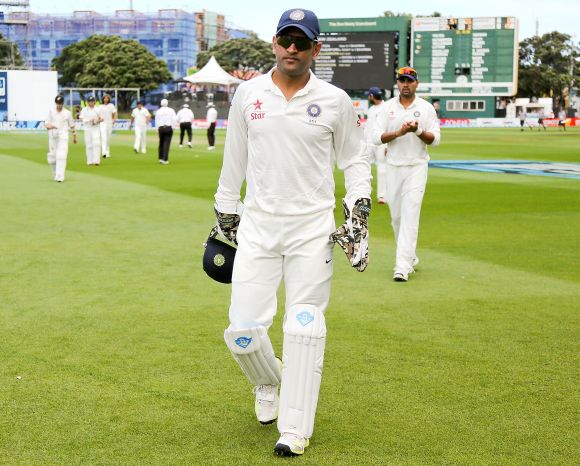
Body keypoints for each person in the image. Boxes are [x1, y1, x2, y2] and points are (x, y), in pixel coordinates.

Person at [213, 8, 371, 457]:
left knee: (305, 327)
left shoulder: (336, 100)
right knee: (242, 330)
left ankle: (295, 428)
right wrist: (225, 213)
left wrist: (358, 208)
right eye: (287, 40)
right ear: (274, 44)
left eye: (302, 42)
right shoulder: (248, 94)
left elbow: (355, 161)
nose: (293, 49)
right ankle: (269, 381)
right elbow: (234, 160)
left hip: (312, 230)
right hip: (258, 228)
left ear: (316, 49)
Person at [373, 66, 441, 282]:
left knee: (410, 215)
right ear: (397, 83)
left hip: (417, 167)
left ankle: (401, 266)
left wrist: (418, 131)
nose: (405, 84)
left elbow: (435, 139)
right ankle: (409, 257)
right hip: (394, 166)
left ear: (416, 84)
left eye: (409, 81)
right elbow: (376, 137)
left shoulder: (426, 108)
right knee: (397, 218)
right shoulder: (387, 108)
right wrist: (400, 132)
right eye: (402, 80)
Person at [45, 94, 77, 182]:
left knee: (61, 155)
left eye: (61, 103)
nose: (59, 105)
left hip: (63, 136)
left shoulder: (67, 113)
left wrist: (75, 136)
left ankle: (60, 176)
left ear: (63, 103)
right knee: (52, 158)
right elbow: (46, 124)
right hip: (52, 137)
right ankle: (55, 174)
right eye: (58, 103)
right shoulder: (51, 111)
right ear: (56, 103)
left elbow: (72, 125)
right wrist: (51, 126)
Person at [365, 86, 387, 204]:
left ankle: (382, 196)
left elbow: (389, 127)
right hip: (369, 143)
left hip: (382, 143)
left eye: (369, 95)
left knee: (382, 168)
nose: (368, 97)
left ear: (372, 96)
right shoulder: (371, 109)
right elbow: (368, 128)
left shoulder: (386, 108)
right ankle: (365, 193)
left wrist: (388, 145)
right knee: (364, 168)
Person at [79, 96, 102, 166]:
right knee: (89, 145)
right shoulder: (84, 109)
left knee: (97, 143)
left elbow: (102, 118)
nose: (91, 103)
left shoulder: (98, 109)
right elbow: (81, 118)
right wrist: (88, 120)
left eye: (92, 101)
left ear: (94, 101)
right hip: (87, 128)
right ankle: (89, 161)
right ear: (87, 102)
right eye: (89, 101)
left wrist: (95, 121)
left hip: (96, 128)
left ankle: (97, 161)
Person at [154, 98, 177, 164]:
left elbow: (156, 121)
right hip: (168, 127)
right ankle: (165, 159)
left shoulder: (158, 111)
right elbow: (174, 119)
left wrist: (157, 129)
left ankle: (160, 158)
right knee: (167, 143)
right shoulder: (171, 110)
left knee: (161, 143)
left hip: (161, 128)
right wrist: (173, 127)